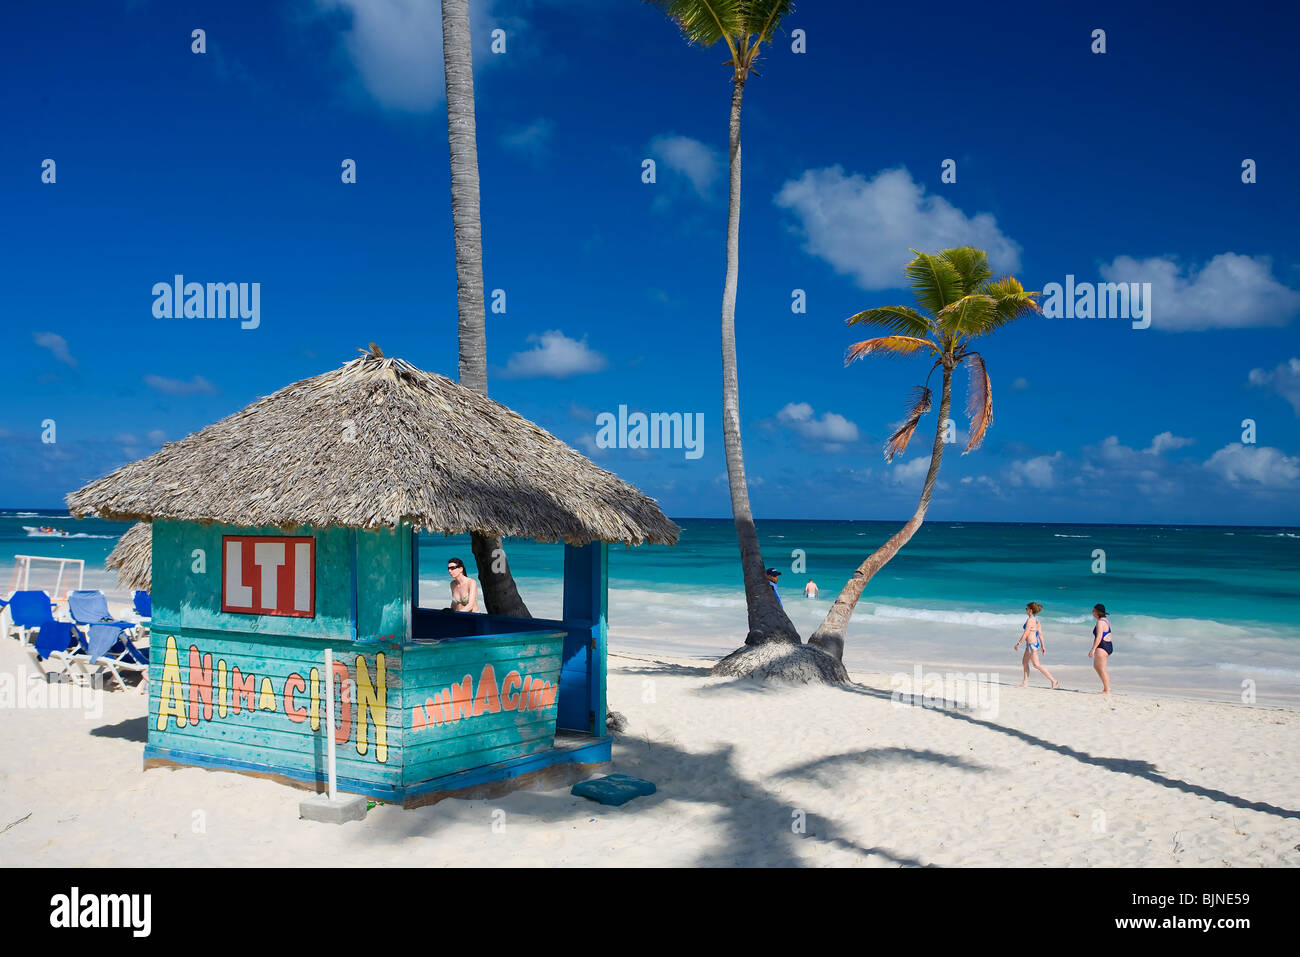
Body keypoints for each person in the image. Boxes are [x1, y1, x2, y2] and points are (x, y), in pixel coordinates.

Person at [1014, 601, 1058, 689]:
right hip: (1032, 645)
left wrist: (1018, 643)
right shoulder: (1036, 620)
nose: (1025, 610)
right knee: (1024, 662)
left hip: (1032, 646)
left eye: (1026, 608)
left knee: (1036, 665)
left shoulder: (1030, 620)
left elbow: (1026, 633)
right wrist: (1042, 646)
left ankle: (1054, 680)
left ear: (1030, 610)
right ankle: (1025, 682)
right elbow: (1040, 634)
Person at [1088, 603, 1113, 694]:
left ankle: (1107, 689)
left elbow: (1099, 637)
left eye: (1093, 611)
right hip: (1108, 645)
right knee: (1097, 667)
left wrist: (1093, 649)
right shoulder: (1106, 620)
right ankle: (1106, 688)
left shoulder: (1100, 622)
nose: (1092, 612)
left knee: (1101, 669)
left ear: (1097, 612)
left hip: (1102, 647)